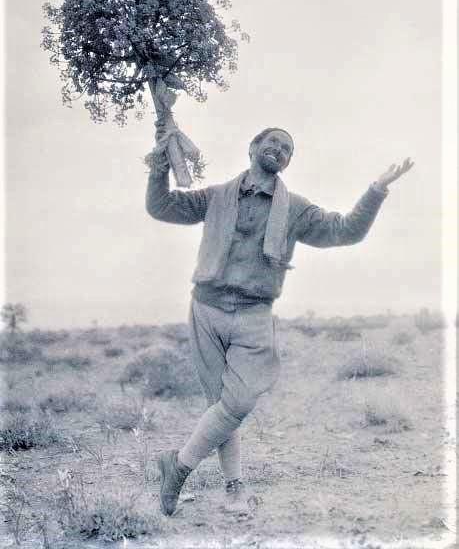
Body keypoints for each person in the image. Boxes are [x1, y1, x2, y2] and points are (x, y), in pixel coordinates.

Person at [145, 100, 414, 518]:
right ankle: (234, 488)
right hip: (206, 308)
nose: (278, 150)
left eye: (287, 149)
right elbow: (162, 207)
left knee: (237, 403)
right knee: (219, 404)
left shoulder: (297, 211)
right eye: (272, 142)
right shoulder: (216, 197)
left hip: (254, 315)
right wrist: (159, 165)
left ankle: (177, 467)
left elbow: (346, 231)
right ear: (252, 149)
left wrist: (376, 191)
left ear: (286, 164)